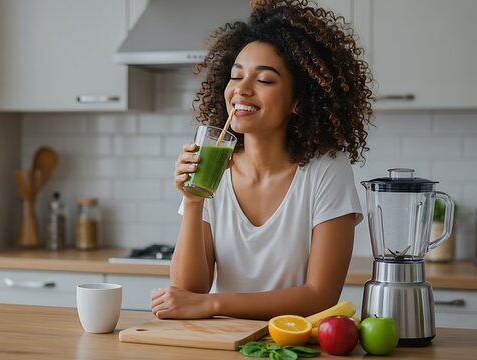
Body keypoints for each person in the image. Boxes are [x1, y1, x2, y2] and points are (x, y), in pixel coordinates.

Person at [151, 0, 373, 320]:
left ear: (299, 100)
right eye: (235, 76)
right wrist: (192, 200)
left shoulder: (326, 170)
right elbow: (190, 288)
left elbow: (321, 296)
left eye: (264, 80)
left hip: (291, 345)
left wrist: (215, 304)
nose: (241, 90)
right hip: (222, 344)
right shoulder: (214, 169)